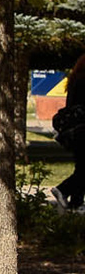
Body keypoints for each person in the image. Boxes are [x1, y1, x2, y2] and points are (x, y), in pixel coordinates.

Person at [50, 52, 85, 213]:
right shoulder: (83, 81)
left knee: (81, 167)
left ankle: (75, 203)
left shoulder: (74, 80)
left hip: (74, 131)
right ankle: (63, 189)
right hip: (82, 129)